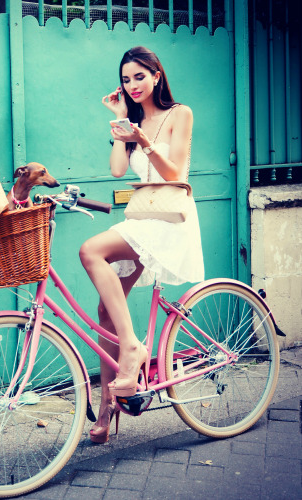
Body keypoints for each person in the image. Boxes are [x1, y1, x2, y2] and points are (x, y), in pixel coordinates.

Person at [79, 46, 204, 444]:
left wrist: (145, 141)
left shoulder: (178, 113)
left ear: (156, 75)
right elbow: (117, 170)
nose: (132, 85)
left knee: (90, 250)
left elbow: (175, 171)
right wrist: (120, 124)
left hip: (171, 218)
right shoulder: (129, 119)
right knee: (104, 310)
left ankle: (132, 348)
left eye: (139, 76)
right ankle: (106, 410)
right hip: (143, 219)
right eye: (126, 79)